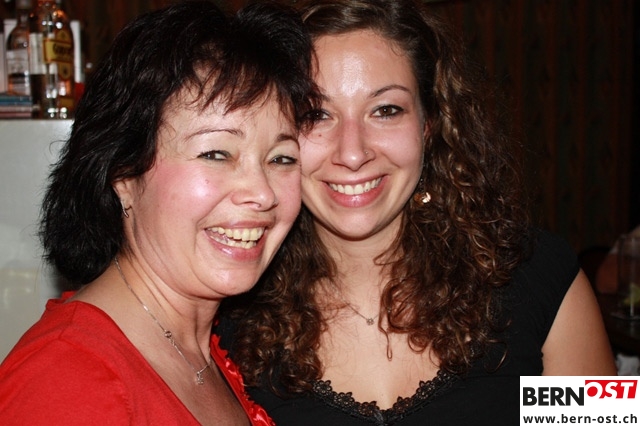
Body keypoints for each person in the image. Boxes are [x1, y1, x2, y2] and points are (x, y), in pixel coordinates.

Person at [218, 0, 617, 424]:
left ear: (428, 125)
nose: (352, 153)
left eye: (385, 110)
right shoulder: (226, 314)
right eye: (316, 114)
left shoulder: (541, 274)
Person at [0, 1, 318, 424]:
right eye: (216, 153)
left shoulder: (203, 350)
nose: (262, 193)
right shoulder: (66, 379)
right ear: (123, 175)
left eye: (281, 158)